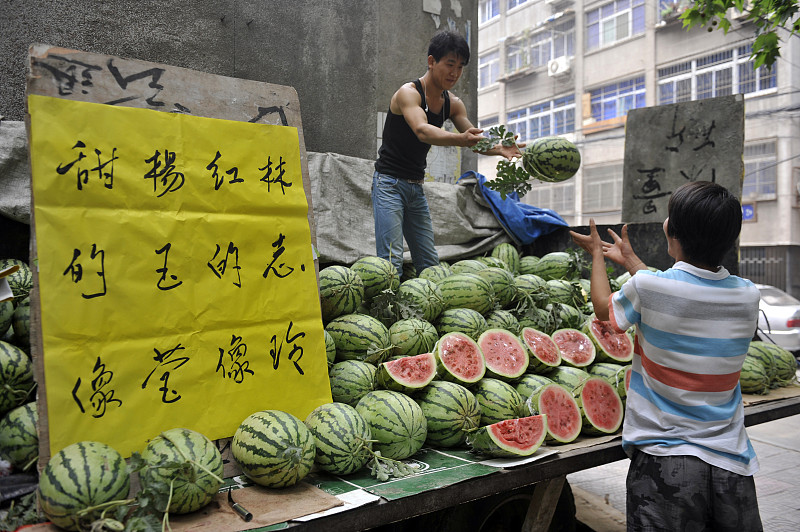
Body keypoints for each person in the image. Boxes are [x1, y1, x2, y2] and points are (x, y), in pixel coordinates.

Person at [570, 181, 763, 531]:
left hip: (665, 460)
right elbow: (676, 291)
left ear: (669, 231)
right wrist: (630, 260)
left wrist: (598, 255)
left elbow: (603, 311)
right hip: (731, 461)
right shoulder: (747, 295)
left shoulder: (649, 289)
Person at [373, 30, 521, 278]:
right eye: (450, 64)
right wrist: (461, 140)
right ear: (431, 62)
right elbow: (422, 130)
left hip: (415, 187)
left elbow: (472, 139)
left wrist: (498, 149)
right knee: (390, 264)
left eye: (460, 67)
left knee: (429, 263)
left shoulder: (453, 103)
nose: (455, 73)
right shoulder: (408, 94)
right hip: (388, 184)